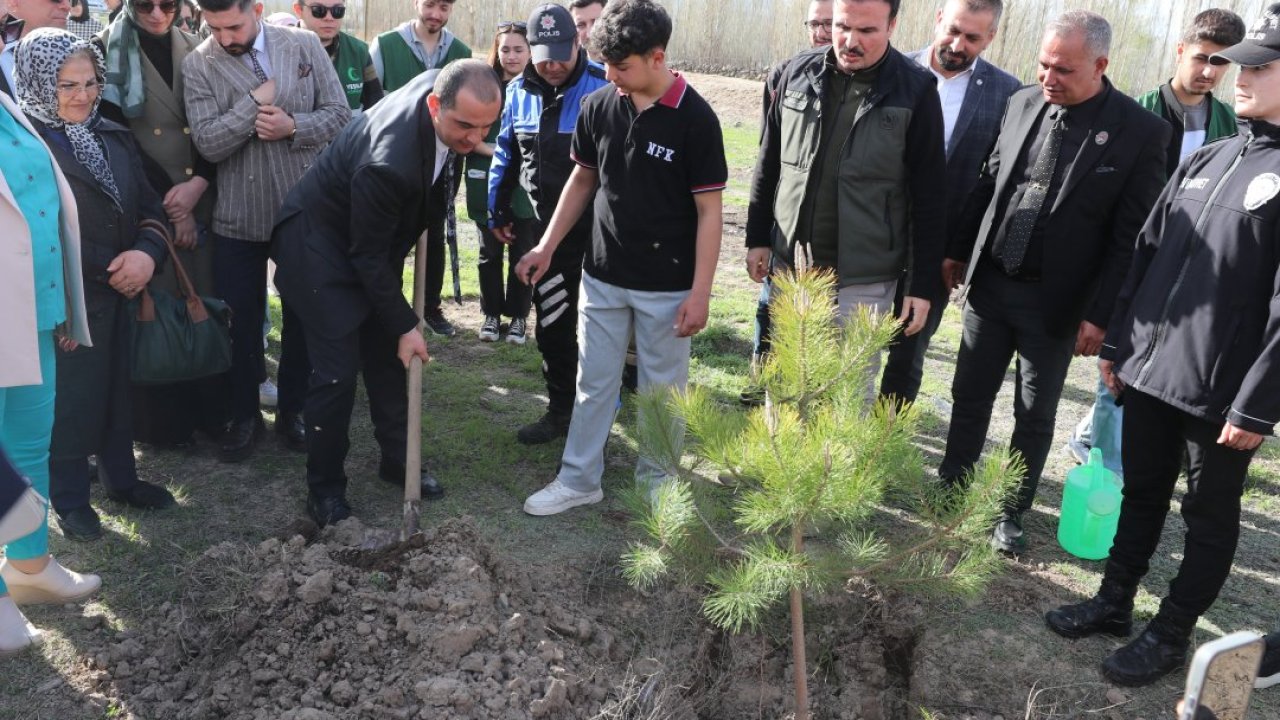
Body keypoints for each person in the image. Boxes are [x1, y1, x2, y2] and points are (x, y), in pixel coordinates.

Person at [1043, 5, 1280, 686]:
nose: (1239, 76)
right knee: (1141, 491)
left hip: (1220, 393)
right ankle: (1114, 601)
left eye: (1260, 66)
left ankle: (1171, 631)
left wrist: (1257, 405)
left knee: (1206, 516)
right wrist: (1120, 345)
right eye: (1240, 63)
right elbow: (1144, 258)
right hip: (1148, 370)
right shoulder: (1210, 158)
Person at [937, 11, 1169, 555]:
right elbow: (991, 183)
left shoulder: (1140, 133)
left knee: (1034, 413)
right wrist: (956, 252)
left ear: (1100, 65)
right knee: (969, 394)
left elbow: (1129, 239)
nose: (1049, 78)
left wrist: (1102, 314)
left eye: (1063, 69)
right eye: (1043, 64)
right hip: (992, 286)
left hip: (1057, 304)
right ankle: (952, 487)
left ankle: (1009, 510)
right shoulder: (1021, 104)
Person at [516, 0, 726, 516]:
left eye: (621, 66)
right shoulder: (600, 105)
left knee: (660, 393)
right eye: (605, 64)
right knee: (593, 384)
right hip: (602, 275)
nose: (610, 76)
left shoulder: (696, 120)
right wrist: (546, 244)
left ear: (657, 57)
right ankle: (580, 478)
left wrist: (700, 293)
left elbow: (709, 213)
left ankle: (658, 482)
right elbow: (583, 178)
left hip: (669, 286)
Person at [271, 59, 502, 526]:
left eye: (485, 127)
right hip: (317, 250)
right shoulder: (389, 163)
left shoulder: (442, 84)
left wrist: (396, 329)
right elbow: (368, 258)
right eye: (463, 126)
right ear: (435, 104)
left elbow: (375, 254)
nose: (475, 139)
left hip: (364, 241)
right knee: (337, 375)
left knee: (389, 357)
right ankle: (325, 490)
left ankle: (398, 459)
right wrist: (405, 324)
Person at [1064, 8, 1246, 473]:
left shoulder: (1230, 125)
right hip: (1135, 263)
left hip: (1192, 273)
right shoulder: (1136, 112)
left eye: (1222, 63)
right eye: (1202, 57)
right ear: (1181, 50)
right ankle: (1106, 469)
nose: (1209, 72)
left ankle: (1091, 438)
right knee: (1119, 366)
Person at [16, 29, 178, 539]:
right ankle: (70, 499)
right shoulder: (27, 147)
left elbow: (152, 207)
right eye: (67, 85)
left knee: (115, 389)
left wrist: (147, 257)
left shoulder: (112, 134)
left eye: (89, 82)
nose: (82, 96)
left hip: (126, 288)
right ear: (39, 82)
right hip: (67, 297)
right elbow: (37, 232)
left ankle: (121, 480)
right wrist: (118, 267)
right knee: (71, 399)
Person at [746, 0, 947, 398]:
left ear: (892, 24)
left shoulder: (917, 91)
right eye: (841, 26)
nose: (850, 41)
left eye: (867, 31)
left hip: (864, 281)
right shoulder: (795, 74)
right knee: (784, 392)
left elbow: (930, 197)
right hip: (791, 269)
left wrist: (920, 285)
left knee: (846, 399)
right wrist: (757, 237)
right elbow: (769, 164)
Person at [182, 0, 348, 463]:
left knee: (301, 317)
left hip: (303, 209)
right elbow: (209, 143)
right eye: (213, 28)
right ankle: (244, 416)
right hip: (238, 214)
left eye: (233, 25)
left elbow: (339, 114)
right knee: (240, 321)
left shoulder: (304, 44)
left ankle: (294, 410)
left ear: (256, 9)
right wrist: (254, 105)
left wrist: (293, 125)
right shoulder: (198, 63)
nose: (225, 38)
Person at [0, 28, 99, 656]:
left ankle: (30, 569)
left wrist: (61, 303)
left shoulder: (8, 102)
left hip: (33, 310)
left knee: (31, 443)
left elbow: (39, 205)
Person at [96, 0, 226, 448]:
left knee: (201, 300)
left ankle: (213, 413)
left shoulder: (199, 47)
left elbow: (213, 126)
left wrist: (196, 191)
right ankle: (163, 426)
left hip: (199, 197)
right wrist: (173, 209)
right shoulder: (101, 52)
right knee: (158, 310)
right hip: (149, 205)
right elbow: (115, 136)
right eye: (144, 5)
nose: (156, 14)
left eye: (167, 4)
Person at [878, 0, 1021, 406]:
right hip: (873, 234)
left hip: (939, 247)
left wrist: (958, 252)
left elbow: (992, 182)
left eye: (972, 38)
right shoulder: (893, 72)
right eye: (953, 30)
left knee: (909, 348)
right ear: (938, 18)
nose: (957, 44)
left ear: (990, 37)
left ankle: (885, 436)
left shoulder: (1005, 92)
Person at [488, 3, 609, 445]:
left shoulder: (604, 86)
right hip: (545, 236)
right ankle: (560, 413)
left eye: (562, 53)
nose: (553, 65)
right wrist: (497, 211)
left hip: (600, 238)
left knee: (599, 332)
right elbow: (506, 152)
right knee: (553, 324)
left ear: (577, 43)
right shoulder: (518, 91)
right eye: (545, 56)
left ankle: (595, 422)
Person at [741, 0, 831, 407]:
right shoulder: (787, 72)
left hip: (830, 237)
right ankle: (761, 378)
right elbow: (768, 152)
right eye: (814, 24)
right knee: (768, 310)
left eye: (829, 23)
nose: (821, 32)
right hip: (783, 225)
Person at [370, 0, 470, 338]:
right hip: (397, 159)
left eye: (444, 7)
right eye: (430, 4)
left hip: (443, 159)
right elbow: (373, 104)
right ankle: (389, 307)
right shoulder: (386, 45)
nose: (436, 14)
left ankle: (429, 306)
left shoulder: (460, 51)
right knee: (391, 232)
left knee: (435, 229)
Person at [468, 20, 535, 344]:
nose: (511, 56)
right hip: (487, 179)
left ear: (530, 51)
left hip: (527, 185)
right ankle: (491, 314)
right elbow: (468, 133)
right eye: (505, 49)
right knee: (489, 253)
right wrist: (493, 150)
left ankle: (519, 317)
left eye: (518, 49)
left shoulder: (539, 88)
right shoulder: (483, 85)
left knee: (524, 252)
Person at [293, 0, 382, 113]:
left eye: (337, 11)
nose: (329, 18)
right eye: (318, 10)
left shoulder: (359, 51)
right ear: (298, 10)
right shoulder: (278, 51)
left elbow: (376, 104)